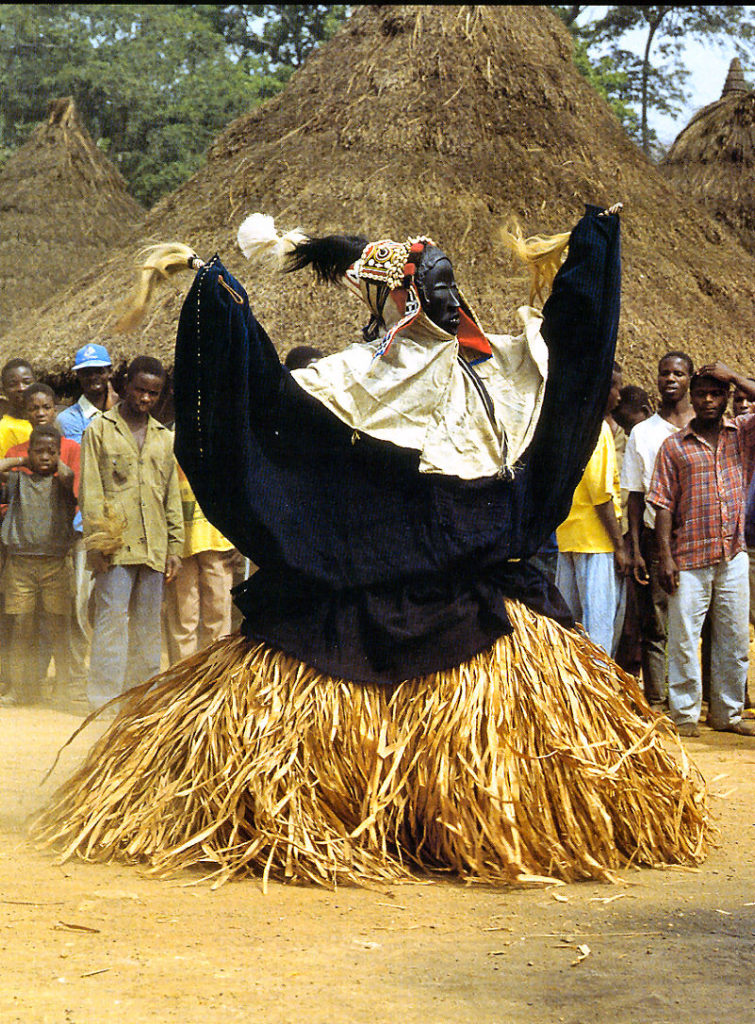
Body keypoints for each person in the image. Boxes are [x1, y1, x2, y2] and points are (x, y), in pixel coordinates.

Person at [36, 204, 709, 886]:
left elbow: (571, 363)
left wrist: (591, 253)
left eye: (453, 284)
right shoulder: (351, 378)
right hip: (357, 592)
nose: (451, 297)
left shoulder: (503, 365)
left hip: (485, 601)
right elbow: (272, 410)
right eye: (435, 285)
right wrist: (226, 312)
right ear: (401, 295)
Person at [648, 363, 755, 737]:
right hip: (689, 559)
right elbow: (662, 504)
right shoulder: (673, 446)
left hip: (733, 556)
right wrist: (666, 557)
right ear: (691, 399)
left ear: (726, 399)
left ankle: (727, 713)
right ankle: (684, 714)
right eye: (702, 394)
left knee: (734, 639)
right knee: (683, 639)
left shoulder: (741, 435)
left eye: (715, 393)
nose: (708, 400)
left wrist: (736, 377)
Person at [80, 355, 183, 711]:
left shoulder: (164, 438)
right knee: (111, 621)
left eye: (153, 394)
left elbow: (170, 496)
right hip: (116, 546)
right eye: (139, 389)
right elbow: (91, 493)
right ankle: (104, 701)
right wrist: (98, 544)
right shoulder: (98, 431)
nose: (144, 399)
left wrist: (174, 547)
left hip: (154, 546)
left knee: (148, 626)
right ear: (125, 385)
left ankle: (141, 699)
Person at [621, 352, 694, 709]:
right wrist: (635, 548)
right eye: (664, 373)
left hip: (701, 535)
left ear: (689, 380)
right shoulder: (642, 434)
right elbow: (635, 496)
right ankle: (658, 698)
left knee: (703, 621)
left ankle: (710, 697)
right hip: (654, 536)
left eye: (678, 373)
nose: (670, 379)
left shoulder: (706, 424)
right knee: (656, 621)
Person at [0, 424, 76, 707]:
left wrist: (61, 464)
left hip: (55, 564)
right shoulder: (18, 481)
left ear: (58, 454)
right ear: (29, 452)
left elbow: (71, 478)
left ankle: (64, 689)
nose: (45, 457)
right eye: (38, 452)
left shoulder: (62, 483)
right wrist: (22, 460)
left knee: (58, 626)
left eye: (51, 452)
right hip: (20, 564)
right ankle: (20, 688)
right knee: (21, 625)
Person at [555, 363, 629, 655]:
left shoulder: (568, 426)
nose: (619, 396)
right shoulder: (597, 429)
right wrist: (619, 546)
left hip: (569, 536)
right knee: (598, 630)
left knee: (569, 627)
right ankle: (600, 697)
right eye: (615, 387)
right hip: (596, 541)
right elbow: (602, 495)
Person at [164, 464, 235, 663]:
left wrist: (240, 538)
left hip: (218, 540)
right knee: (183, 618)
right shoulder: (171, 440)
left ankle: (213, 681)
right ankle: (181, 681)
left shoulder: (224, 443)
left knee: (218, 617)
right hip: (181, 542)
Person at [612, 385, 652, 676]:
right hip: (623, 538)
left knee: (638, 616)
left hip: (640, 537)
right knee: (628, 616)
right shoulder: (618, 439)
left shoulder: (638, 440)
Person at [56, 344, 118, 443]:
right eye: (87, 373)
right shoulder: (69, 418)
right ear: (78, 376)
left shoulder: (124, 411)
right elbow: (86, 454)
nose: (93, 377)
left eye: (99, 371)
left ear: (109, 372)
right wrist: (110, 414)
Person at [0, 359, 34, 455]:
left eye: (27, 382)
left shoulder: (47, 420)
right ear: (4, 390)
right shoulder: (4, 430)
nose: (21, 388)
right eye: (13, 384)